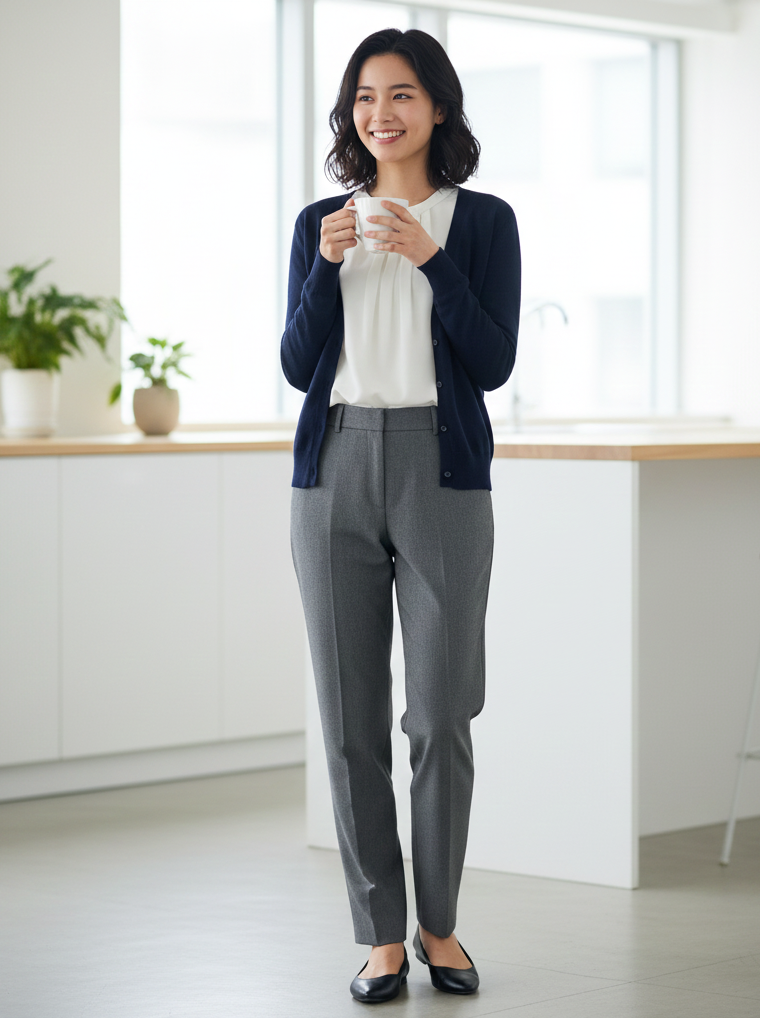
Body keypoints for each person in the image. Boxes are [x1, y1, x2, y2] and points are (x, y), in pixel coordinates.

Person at [281, 27, 521, 1004]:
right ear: (352, 114)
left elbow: (494, 360)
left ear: (438, 108)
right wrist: (322, 271)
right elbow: (299, 365)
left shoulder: (484, 220)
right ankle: (380, 934)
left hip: (441, 472)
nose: (381, 113)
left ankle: (439, 925)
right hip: (332, 468)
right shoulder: (319, 221)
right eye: (366, 97)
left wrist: (428, 256)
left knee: (440, 712)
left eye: (403, 95)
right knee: (348, 721)